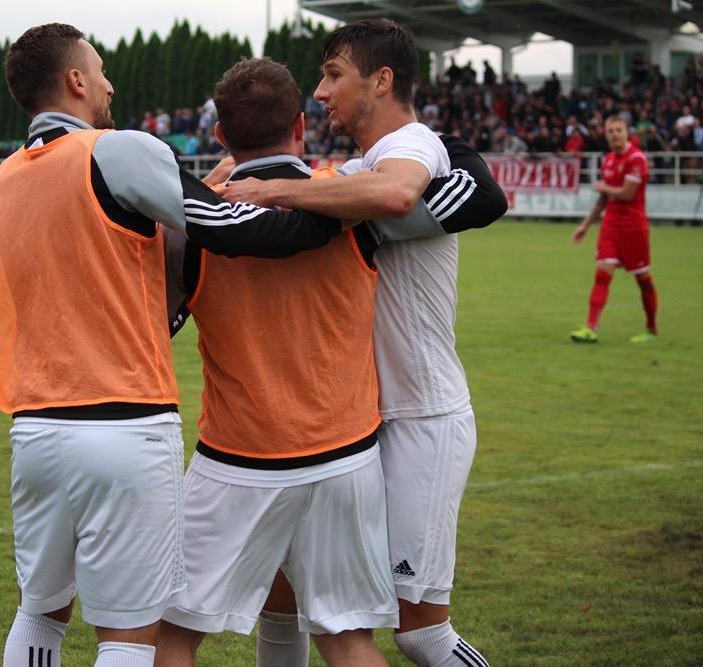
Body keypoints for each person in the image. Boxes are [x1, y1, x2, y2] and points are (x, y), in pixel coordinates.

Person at [0, 24, 343, 667]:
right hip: (123, 425)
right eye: (99, 68)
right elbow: (230, 229)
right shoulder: (118, 149)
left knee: (40, 613)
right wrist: (333, 207)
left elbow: (112, 258)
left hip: (34, 429)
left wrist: (210, 178)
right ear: (75, 81)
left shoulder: (3, 179)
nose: (109, 82)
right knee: (130, 636)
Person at [158, 57, 506, 667]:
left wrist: (211, 186)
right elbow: (462, 195)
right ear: (300, 124)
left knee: (171, 633)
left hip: (241, 456)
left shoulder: (195, 225)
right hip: (347, 456)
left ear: (219, 136)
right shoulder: (349, 201)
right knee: (345, 638)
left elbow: (162, 317)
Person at [571, 115, 659, 343]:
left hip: (634, 228)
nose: (614, 135)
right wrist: (585, 226)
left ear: (627, 132)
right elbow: (603, 200)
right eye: (610, 131)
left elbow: (627, 194)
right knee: (602, 274)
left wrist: (603, 186)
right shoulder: (608, 159)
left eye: (618, 130)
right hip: (611, 225)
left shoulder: (637, 158)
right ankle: (590, 328)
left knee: (643, 280)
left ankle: (651, 329)